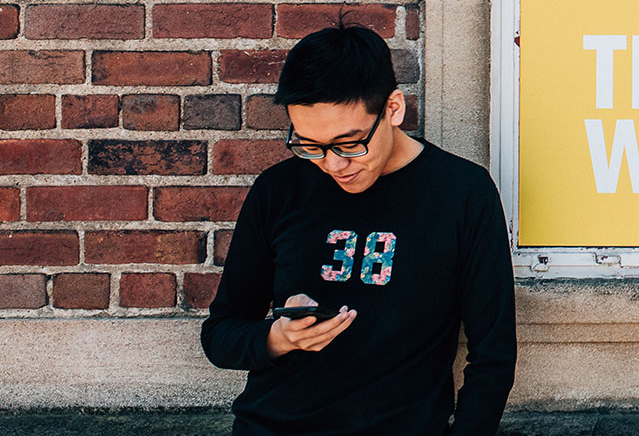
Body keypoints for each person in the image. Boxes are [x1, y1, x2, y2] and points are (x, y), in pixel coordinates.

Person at [201, 23, 516, 436]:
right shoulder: (279, 190)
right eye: (310, 145)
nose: (333, 164)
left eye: (349, 143)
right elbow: (220, 334)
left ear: (393, 109)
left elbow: (493, 355)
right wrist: (279, 338)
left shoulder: (462, 193)